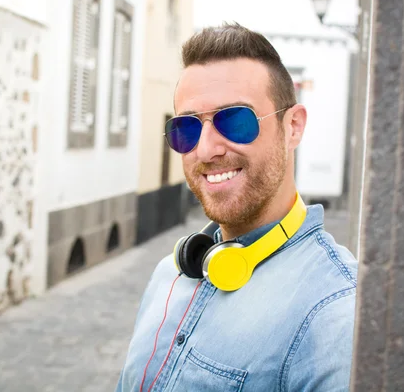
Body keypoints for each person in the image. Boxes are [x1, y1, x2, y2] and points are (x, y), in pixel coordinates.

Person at [116, 23, 358, 392]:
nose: (206, 149)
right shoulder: (170, 276)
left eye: (235, 120)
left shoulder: (335, 315)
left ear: (292, 127)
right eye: (187, 128)